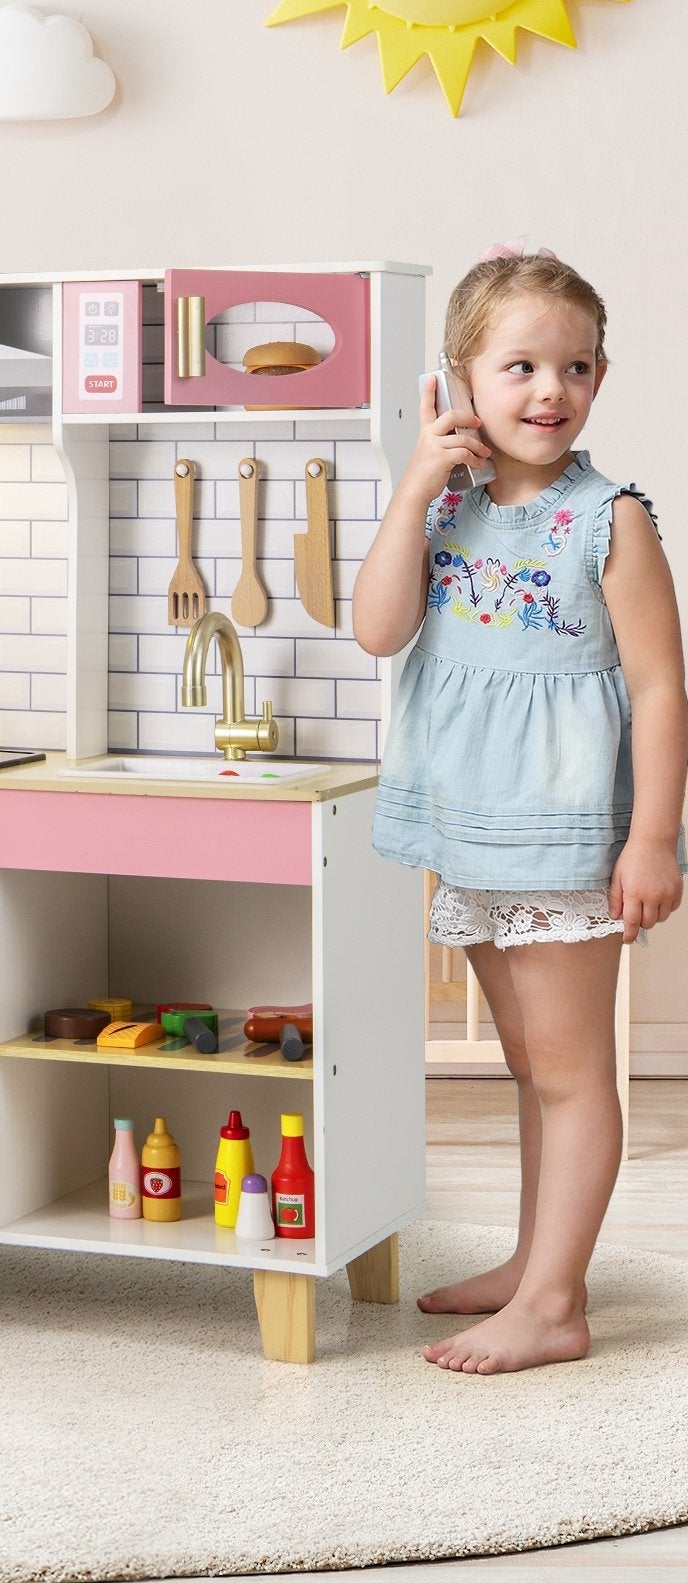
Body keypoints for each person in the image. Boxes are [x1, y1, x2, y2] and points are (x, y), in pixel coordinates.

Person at [353, 244, 688, 1375]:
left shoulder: (609, 519)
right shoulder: (442, 508)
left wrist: (650, 840)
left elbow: (658, 686)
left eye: (576, 366)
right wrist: (410, 486)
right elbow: (376, 627)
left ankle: (552, 1307)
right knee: (528, 1068)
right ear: (457, 379)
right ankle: (536, 1265)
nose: (551, 390)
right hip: (474, 826)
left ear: (600, 378)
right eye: (520, 366)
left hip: (564, 836)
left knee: (572, 1070)